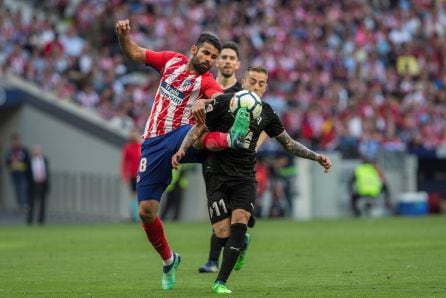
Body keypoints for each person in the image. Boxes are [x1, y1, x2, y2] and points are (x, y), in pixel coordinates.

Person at [115, 19, 251, 290]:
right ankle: (169, 260)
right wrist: (122, 36)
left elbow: (219, 98)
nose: (210, 59)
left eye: (214, 56)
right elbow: (134, 52)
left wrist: (206, 101)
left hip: (181, 135)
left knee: (202, 136)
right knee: (146, 211)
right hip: (153, 143)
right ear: (194, 50)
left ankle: (231, 140)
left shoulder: (207, 81)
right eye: (207, 53)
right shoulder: (171, 61)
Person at [172, 65, 332, 294]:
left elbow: (288, 143)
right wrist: (182, 149)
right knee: (222, 233)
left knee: (239, 222)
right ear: (244, 81)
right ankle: (241, 243)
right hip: (216, 174)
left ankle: (220, 282)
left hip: (245, 177)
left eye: (261, 83)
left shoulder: (267, 112)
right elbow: (198, 129)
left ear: (266, 87)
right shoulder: (223, 102)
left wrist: (316, 157)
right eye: (253, 81)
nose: (256, 86)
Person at [198, 41, 259, 274]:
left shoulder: (244, 95)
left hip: (238, 162)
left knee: (235, 214)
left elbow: (259, 127)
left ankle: (217, 260)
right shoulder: (207, 89)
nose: (226, 61)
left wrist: (254, 147)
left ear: (237, 64)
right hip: (211, 158)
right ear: (216, 61)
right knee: (217, 211)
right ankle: (224, 253)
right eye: (223, 57)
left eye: (231, 58)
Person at [5, 133, 32, 212]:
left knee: (23, 188)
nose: (16, 142)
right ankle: (19, 205)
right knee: (16, 189)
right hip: (14, 174)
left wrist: (21, 165)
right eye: (14, 141)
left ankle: (25, 205)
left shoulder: (24, 150)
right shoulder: (10, 151)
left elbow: (28, 162)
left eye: (17, 140)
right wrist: (12, 166)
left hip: (23, 174)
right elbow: (7, 162)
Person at [120, 128, 141, 222]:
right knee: (134, 195)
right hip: (133, 175)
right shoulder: (128, 147)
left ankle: (140, 215)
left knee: (142, 195)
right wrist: (124, 174)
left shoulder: (142, 145)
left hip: (143, 174)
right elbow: (124, 162)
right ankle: (135, 216)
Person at [27, 145, 50, 225]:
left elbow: (47, 173)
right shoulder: (29, 161)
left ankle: (41, 220)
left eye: (38, 150)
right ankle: (30, 219)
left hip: (42, 183)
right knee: (31, 203)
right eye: (35, 150)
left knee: (42, 202)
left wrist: (47, 184)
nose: (36, 152)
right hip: (33, 184)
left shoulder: (44, 160)